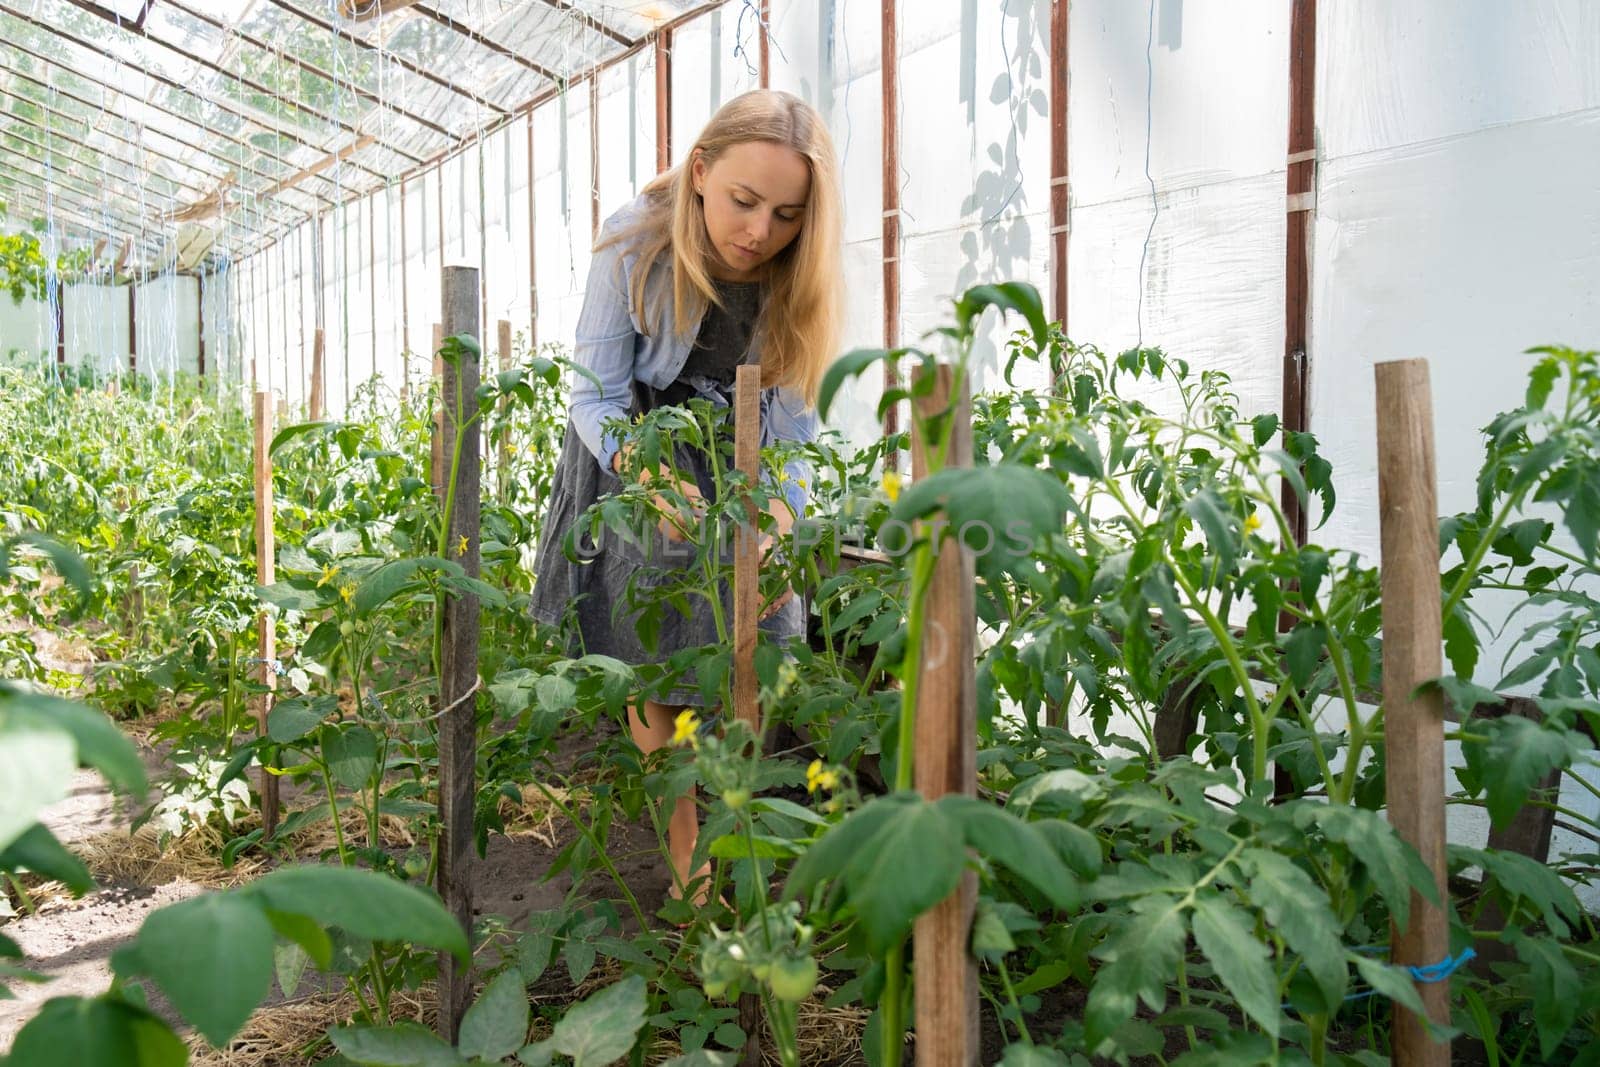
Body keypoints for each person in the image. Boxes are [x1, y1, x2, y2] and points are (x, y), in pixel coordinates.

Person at [530, 89, 844, 903]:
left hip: (737, 456)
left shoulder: (797, 272)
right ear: (700, 171)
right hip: (636, 449)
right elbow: (593, 394)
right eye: (744, 202)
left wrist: (778, 515)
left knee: (759, 626)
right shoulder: (634, 240)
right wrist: (649, 475)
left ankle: (734, 810)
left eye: (785, 214)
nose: (759, 232)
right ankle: (686, 852)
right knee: (655, 636)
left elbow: (794, 431)